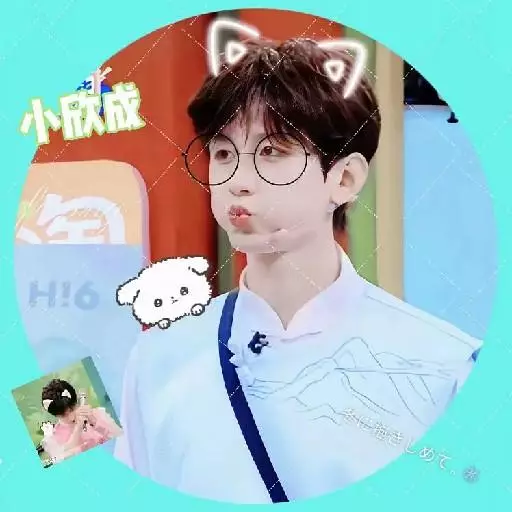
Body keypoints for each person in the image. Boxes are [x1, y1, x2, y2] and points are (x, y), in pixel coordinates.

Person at [114, 37, 482, 503]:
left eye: (272, 152)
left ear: (344, 179)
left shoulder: (444, 367)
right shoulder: (159, 357)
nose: (238, 182)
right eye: (223, 154)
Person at [41, 379, 122, 462]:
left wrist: (95, 421)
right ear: (56, 415)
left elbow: (120, 438)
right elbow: (62, 461)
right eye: (64, 415)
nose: (71, 417)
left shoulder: (97, 414)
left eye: (72, 409)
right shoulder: (52, 438)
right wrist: (78, 429)